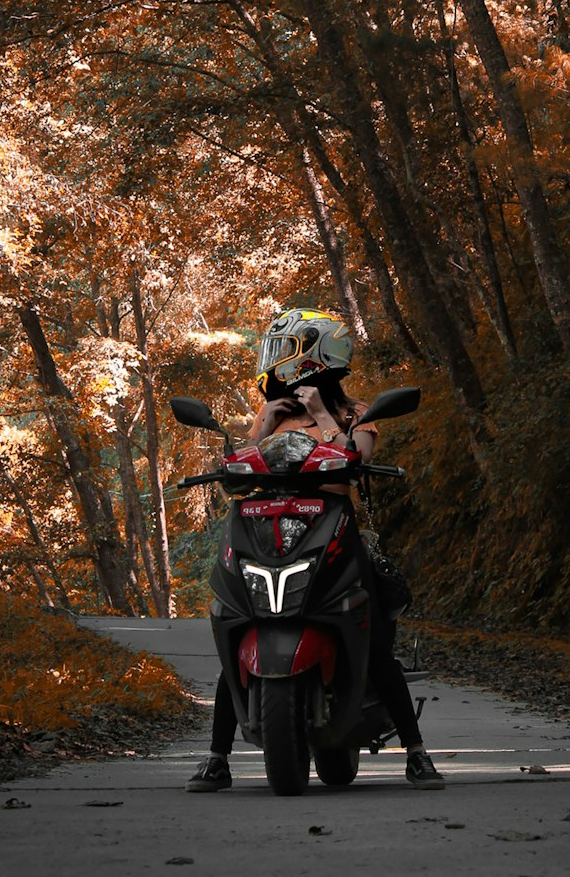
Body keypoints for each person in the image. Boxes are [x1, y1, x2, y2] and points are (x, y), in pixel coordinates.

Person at [187, 306, 445, 793]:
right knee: (241, 624)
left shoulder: (356, 414)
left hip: (331, 530)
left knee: (374, 641)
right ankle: (217, 758)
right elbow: (237, 476)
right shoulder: (273, 417)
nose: (279, 360)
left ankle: (417, 754)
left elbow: (357, 458)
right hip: (270, 529)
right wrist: (264, 426)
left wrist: (325, 416)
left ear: (316, 355)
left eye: (288, 350)